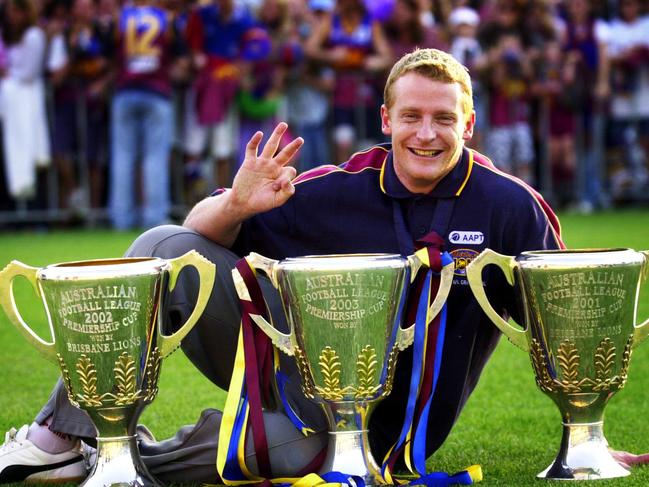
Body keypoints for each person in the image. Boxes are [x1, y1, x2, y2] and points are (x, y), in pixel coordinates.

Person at [0, 48, 563, 484]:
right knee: (162, 246)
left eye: (444, 119)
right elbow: (197, 231)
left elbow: (563, 324)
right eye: (411, 116)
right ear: (386, 119)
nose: (425, 134)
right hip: (295, 372)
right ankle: (59, 435)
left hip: (380, 433)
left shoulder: (511, 207)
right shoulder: (338, 187)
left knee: (289, 456)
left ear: (468, 126)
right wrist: (236, 205)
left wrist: (583, 430)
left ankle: (122, 453)